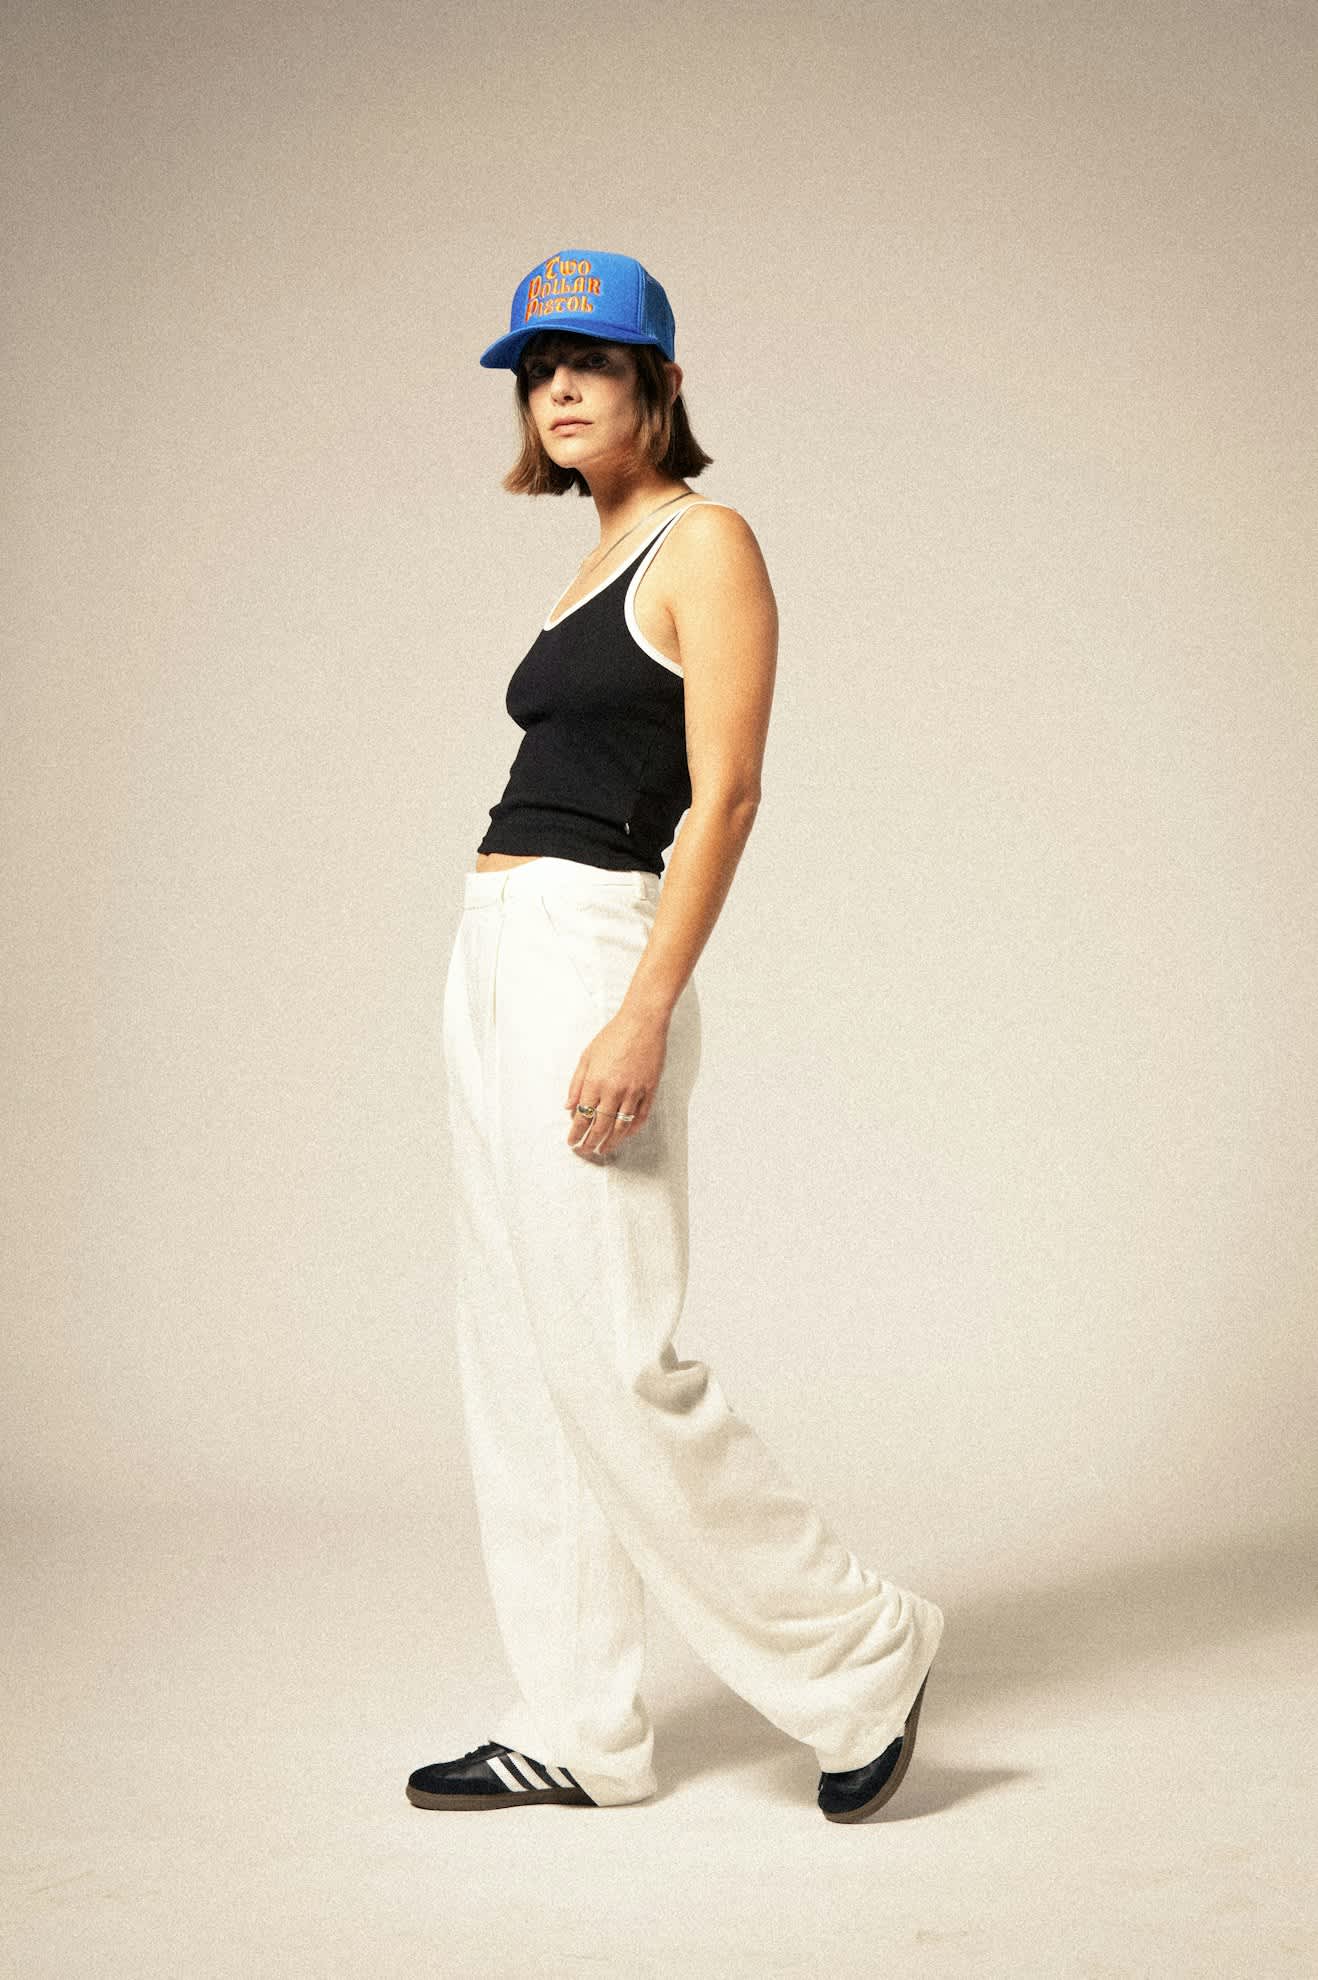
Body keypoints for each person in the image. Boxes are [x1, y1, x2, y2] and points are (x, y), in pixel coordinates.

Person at [407, 249, 944, 1823]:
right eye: (537, 369)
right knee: (524, 1355)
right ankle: (579, 1725)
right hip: (497, 947)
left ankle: (860, 1647)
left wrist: (638, 1008)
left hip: (591, 948)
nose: (558, 390)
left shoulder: (704, 543)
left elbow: (727, 795)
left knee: (613, 1351)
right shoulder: (593, 558)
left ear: (661, 381)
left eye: (589, 361)